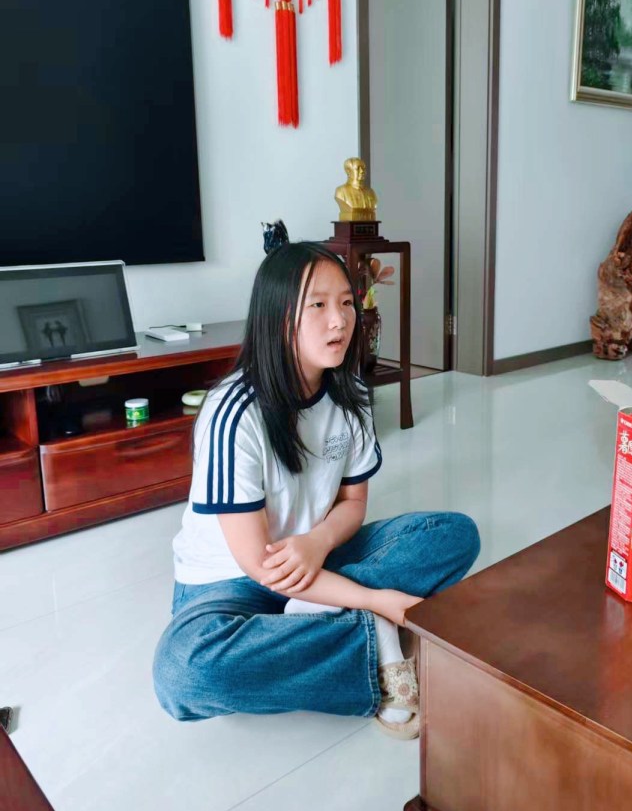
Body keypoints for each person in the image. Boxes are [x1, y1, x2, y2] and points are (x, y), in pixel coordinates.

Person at [153, 240, 479, 739]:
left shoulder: (351, 396)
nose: (340, 321)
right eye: (319, 305)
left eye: (347, 303)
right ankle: (372, 633)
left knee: (454, 534)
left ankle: (324, 623)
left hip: (318, 553)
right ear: (279, 317)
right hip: (230, 583)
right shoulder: (232, 413)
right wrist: (377, 601)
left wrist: (317, 542)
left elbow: (353, 503)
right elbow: (259, 565)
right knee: (185, 670)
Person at [334, 157, 378, 222]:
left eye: (363, 168)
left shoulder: (371, 192)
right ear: (348, 171)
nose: (362, 171)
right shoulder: (341, 191)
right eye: (358, 168)